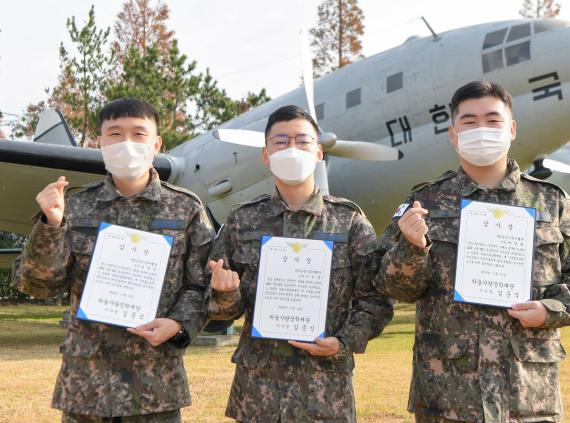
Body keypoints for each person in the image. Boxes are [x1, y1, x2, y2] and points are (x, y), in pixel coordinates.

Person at [373, 81, 570, 423]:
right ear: (453, 134)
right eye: (469, 122)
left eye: (492, 120)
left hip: (527, 394)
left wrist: (551, 308)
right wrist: (411, 250)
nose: (481, 129)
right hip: (447, 396)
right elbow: (391, 286)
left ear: (511, 129)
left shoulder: (551, 203)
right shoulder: (423, 203)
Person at [12, 97, 215, 422]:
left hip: (155, 387)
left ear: (156, 144)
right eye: (115, 134)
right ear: (100, 143)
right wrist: (50, 225)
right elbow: (37, 285)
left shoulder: (186, 210)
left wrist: (178, 324)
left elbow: (201, 284)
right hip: (86, 386)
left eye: (138, 134)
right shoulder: (74, 208)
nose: (127, 144)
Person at [208, 105, 393, 422]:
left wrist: (344, 342)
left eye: (302, 141)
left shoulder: (349, 222)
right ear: (266, 156)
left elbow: (376, 301)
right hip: (258, 396)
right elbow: (217, 311)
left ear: (319, 152)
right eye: (280, 142)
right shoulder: (241, 222)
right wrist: (224, 293)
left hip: (325, 395)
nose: (291, 149)